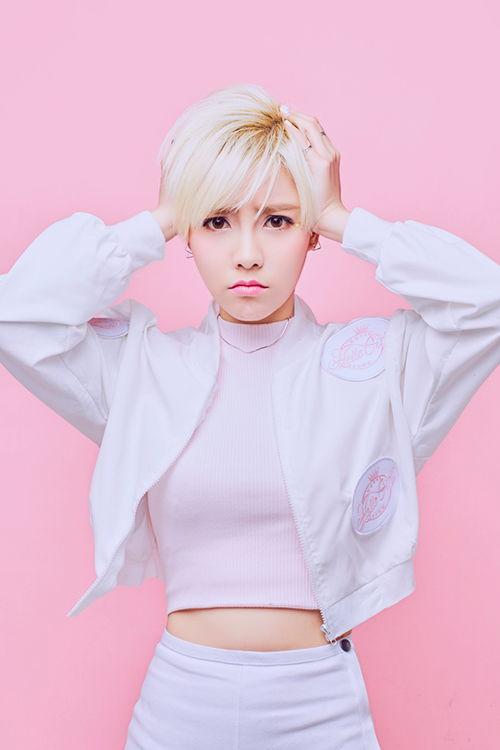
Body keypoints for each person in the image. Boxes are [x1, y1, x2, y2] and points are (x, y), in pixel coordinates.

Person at [1, 83, 499, 749]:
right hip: (180, 707)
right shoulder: (143, 370)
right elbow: (16, 317)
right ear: (188, 235)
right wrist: (159, 218)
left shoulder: (377, 368)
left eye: (278, 221)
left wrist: (346, 219)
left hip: (322, 712)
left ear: (311, 235)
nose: (247, 254)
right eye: (216, 222)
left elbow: (489, 303)